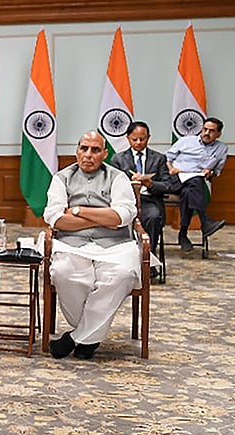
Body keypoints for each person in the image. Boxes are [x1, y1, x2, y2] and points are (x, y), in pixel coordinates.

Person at [43, 131, 141, 360]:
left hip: (115, 246)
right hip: (72, 245)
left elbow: (122, 216)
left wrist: (78, 211)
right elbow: (56, 219)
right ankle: (89, 337)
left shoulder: (118, 177)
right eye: (84, 148)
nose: (88, 155)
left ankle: (77, 337)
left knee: (123, 275)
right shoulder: (61, 178)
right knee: (63, 272)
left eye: (95, 150)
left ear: (105, 154)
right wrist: (103, 216)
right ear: (77, 151)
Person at [110, 121, 169, 263]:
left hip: (149, 200)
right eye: (134, 139)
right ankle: (125, 259)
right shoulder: (118, 159)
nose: (138, 143)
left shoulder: (159, 158)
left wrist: (150, 184)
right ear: (128, 138)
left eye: (142, 139)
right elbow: (112, 186)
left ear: (148, 138)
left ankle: (148, 259)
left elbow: (167, 185)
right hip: (126, 201)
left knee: (153, 217)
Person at [165, 117, 227, 250]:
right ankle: (205, 222)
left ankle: (183, 234)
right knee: (196, 183)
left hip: (194, 183)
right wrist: (171, 169)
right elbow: (167, 158)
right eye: (205, 129)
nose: (206, 133)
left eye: (211, 131)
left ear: (218, 134)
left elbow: (217, 171)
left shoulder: (221, 148)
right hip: (176, 178)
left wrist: (210, 172)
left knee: (189, 192)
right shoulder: (186, 141)